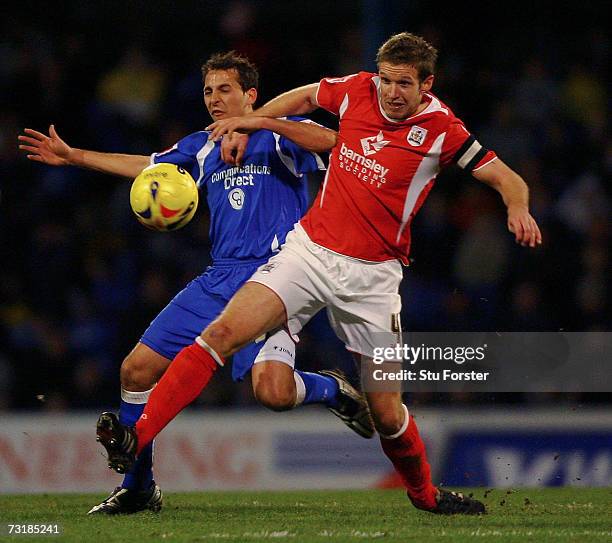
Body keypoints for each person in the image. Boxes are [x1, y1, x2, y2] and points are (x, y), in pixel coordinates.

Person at [93, 33, 543, 515]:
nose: (391, 92)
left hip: (373, 277)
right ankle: (134, 439)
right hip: (306, 252)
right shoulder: (356, 89)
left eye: (403, 84)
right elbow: (306, 97)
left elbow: (505, 177)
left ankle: (425, 495)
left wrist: (518, 208)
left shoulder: (442, 129)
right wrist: (252, 122)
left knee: (388, 414)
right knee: (219, 335)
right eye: (386, 80)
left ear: (425, 84)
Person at [18, 51, 374, 515]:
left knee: (273, 393)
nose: (214, 99)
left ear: (250, 94)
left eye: (225, 89)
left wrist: (265, 124)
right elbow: (148, 167)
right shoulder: (203, 146)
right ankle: (139, 487)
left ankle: (331, 389)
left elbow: (330, 141)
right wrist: (75, 156)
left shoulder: (278, 135)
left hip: (276, 278)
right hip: (220, 277)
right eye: (208, 91)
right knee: (136, 370)